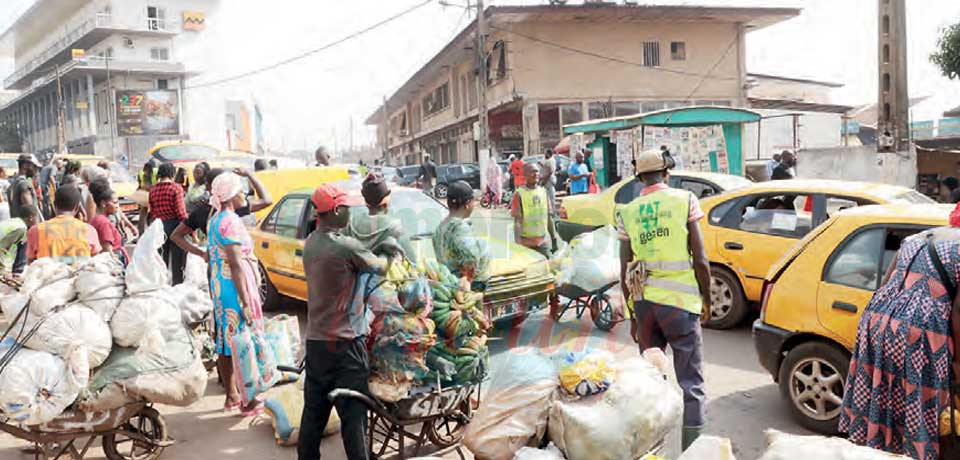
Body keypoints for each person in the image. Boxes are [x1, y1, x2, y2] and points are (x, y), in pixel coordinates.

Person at [616, 148, 712, 451]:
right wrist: (707, 298)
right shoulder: (684, 200)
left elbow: (625, 269)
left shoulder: (627, 212)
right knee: (692, 385)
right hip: (680, 306)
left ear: (639, 178)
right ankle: (692, 452)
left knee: (650, 382)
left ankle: (650, 451)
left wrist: (632, 314)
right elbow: (701, 259)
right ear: (666, 173)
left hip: (645, 306)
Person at [839, 224, 960, 460]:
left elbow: (885, 283)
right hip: (920, 331)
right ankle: (914, 452)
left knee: (883, 393)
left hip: (876, 322)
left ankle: (879, 447)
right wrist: (957, 362)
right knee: (919, 400)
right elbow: (959, 310)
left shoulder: (918, 237)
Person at [298, 183, 389, 460]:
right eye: (347, 208)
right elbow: (379, 266)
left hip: (316, 342)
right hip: (346, 345)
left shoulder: (312, 242)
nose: (350, 212)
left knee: (314, 412)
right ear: (336, 210)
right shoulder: (344, 246)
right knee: (353, 417)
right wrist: (389, 250)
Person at [207, 172, 265, 417]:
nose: (245, 194)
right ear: (231, 194)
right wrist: (245, 301)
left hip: (220, 285)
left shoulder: (215, 219)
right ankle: (248, 400)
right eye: (242, 190)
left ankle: (231, 395)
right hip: (234, 287)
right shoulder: (229, 221)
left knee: (226, 340)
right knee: (243, 342)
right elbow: (236, 262)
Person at [171, 168, 273, 259]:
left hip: (215, 269)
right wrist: (250, 175)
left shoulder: (201, 211)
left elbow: (176, 235)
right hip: (233, 272)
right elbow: (266, 200)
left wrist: (202, 254)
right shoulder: (233, 208)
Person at [344, 173, 416, 261]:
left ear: (367, 204)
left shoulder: (350, 225)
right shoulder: (395, 228)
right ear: (386, 203)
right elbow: (412, 262)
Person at [433, 180, 490, 287]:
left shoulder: (440, 227)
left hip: (450, 285)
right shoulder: (460, 228)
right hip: (466, 288)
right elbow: (471, 260)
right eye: (474, 201)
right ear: (467, 204)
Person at [27, 185, 101, 265]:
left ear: (54, 206)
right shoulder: (88, 230)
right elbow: (95, 262)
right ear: (77, 207)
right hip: (80, 276)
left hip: (48, 276)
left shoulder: (36, 230)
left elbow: (31, 263)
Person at [149, 162, 188, 284]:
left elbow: (152, 212)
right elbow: (181, 212)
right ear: (172, 173)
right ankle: (177, 285)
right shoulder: (176, 188)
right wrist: (191, 230)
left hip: (159, 227)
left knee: (161, 260)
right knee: (178, 261)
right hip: (176, 227)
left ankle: (162, 284)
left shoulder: (153, 190)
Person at [511, 162, 558, 258]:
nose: (536, 174)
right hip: (526, 244)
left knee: (549, 267)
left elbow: (549, 218)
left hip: (542, 242)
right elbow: (517, 222)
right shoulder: (519, 194)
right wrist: (518, 245)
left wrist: (554, 239)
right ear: (525, 175)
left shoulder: (543, 192)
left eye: (537, 172)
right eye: (532, 172)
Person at [8, 154, 41, 274]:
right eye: (34, 167)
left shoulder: (14, 182)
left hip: (19, 229)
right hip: (26, 232)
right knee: (21, 267)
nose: (36, 170)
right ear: (26, 165)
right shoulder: (23, 184)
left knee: (18, 264)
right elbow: (30, 210)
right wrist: (36, 230)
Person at [88, 178, 129, 266]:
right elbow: (108, 252)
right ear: (103, 204)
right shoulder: (103, 223)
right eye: (115, 203)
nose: (117, 206)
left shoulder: (96, 219)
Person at [0, 207, 39, 275]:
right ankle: (18, 271)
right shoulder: (21, 228)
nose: (38, 221)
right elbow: (1, 248)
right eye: (37, 218)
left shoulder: (14, 222)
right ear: (31, 217)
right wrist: (2, 271)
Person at [540, 149, 558, 216]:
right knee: (550, 197)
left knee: (550, 197)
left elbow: (549, 172)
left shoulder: (550, 161)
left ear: (548, 154)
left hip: (548, 180)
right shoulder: (551, 160)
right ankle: (551, 211)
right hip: (550, 180)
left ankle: (552, 212)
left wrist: (544, 180)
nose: (544, 155)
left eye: (545, 153)